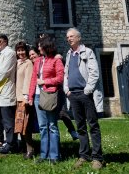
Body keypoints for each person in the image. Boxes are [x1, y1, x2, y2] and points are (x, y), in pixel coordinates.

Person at [64, 28, 104, 170]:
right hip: (73, 95)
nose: (69, 39)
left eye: (72, 36)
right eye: (67, 37)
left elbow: (94, 73)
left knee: (93, 125)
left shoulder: (87, 52)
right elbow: (66, 74)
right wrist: (66, 89)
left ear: (79, 38)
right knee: (80, 127)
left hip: (85, 94)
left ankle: (97, 158)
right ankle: (84, 155)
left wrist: (87, 90)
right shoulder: (69, 54)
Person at [29, 35, 64, 164]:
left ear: (47, 46)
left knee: (52, 126)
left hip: (50, 95)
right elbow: (33, 78)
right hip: (38, 96)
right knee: (43, 127)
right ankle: (44, 155)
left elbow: (60, 78)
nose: (38, 48)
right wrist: (31, 95)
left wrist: (45, 81)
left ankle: (54, 156)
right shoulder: (38, 61)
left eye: (40, 45)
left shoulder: (56, 60)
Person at [0, 33, 17, 154]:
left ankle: (11, 144)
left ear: (5, 41)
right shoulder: (0, 54)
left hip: (5, 92)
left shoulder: (9, 53)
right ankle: (9, 142)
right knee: (1, 120)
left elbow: (4, 71)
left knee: (8, 121)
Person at [14, 41, 34, 159]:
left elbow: (28, 80)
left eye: (22, 50)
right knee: (19, 125)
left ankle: (30, 149)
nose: (20, 52)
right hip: (16, 97)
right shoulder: (17, 63)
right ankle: (23, 147)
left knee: (25, 125)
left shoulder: (28, 63)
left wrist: (26, 97)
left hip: (23, 98)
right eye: (18, 50)